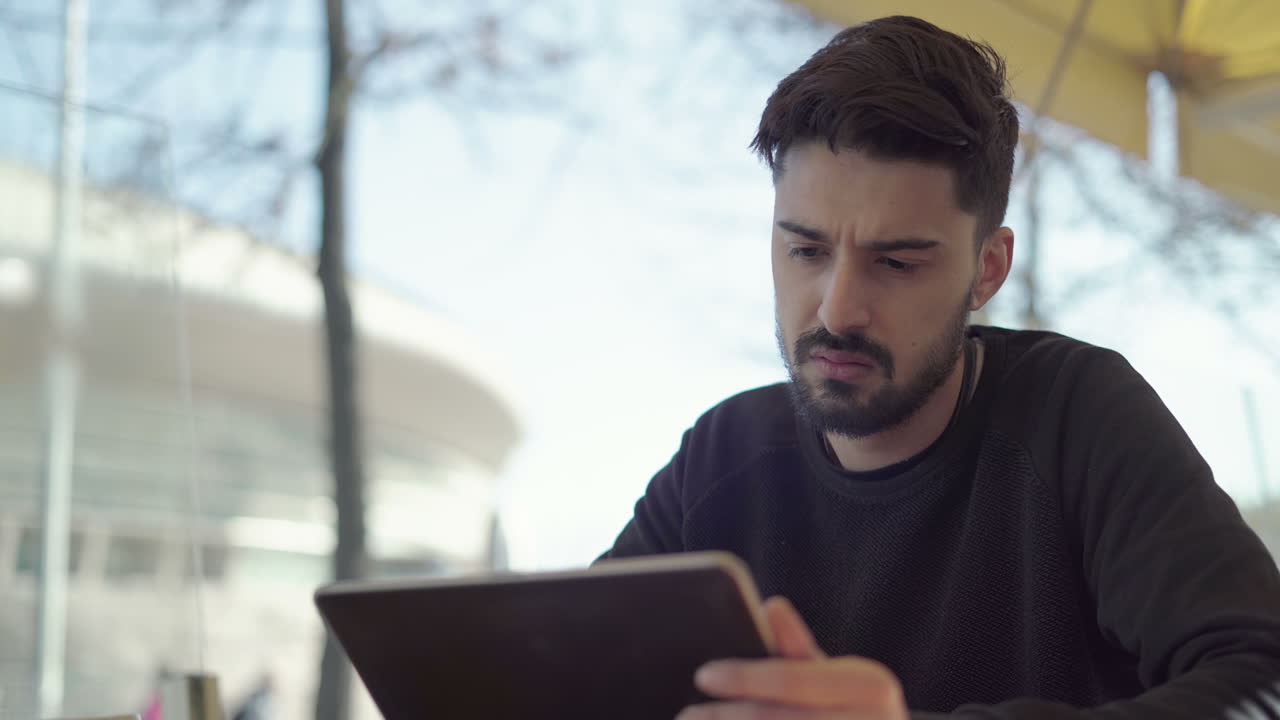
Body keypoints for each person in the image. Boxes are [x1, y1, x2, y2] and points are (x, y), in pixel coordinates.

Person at [600, 15, 1280, 719]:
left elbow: (1264, 680)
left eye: (895, 262)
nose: (837, 310)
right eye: (805, 251)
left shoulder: (1077, 416)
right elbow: (564, 670)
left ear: (988, 269)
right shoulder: (722, 455)